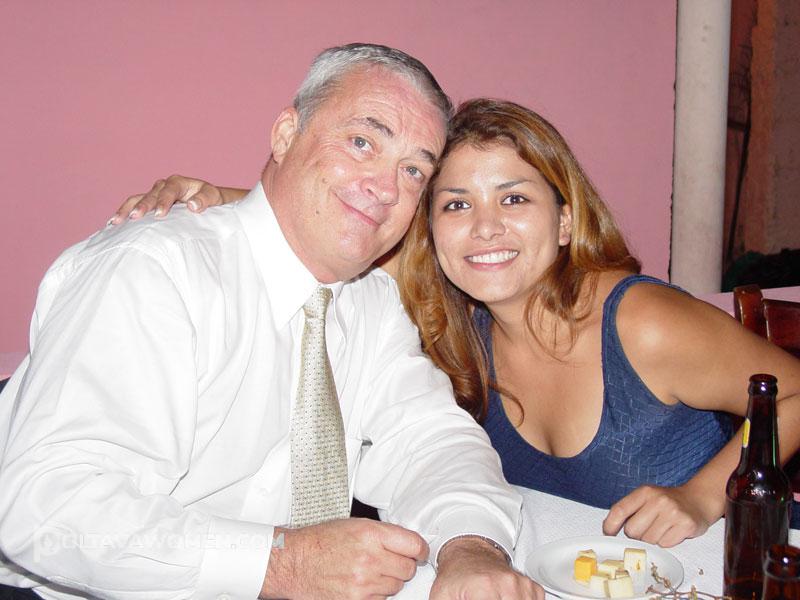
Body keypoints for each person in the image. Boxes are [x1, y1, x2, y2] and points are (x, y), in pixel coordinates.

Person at [119, 98, 800, 549]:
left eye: (514, 198)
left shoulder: (640, 322)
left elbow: (796, 392)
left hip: (739, 567)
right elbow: (332, 227)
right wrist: (215, 197)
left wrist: (702, 497)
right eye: (455, 205)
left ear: (565, 221)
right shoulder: (453, 321)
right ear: (431, 232)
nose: (485, 228)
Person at [0, 45, 542, 600]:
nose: (385, 188)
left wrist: (469, 547)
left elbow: (431, 441)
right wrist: (278, 562)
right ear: (285, 135)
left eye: (412, 171)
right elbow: (47, 507)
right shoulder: (155, 271)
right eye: (362, 143)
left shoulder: (371, 304)